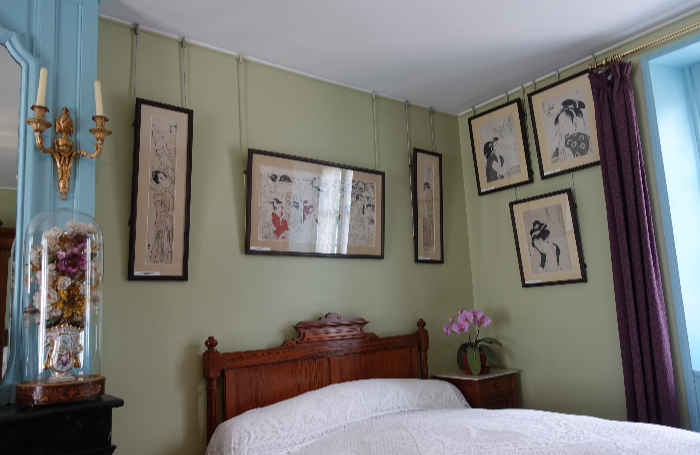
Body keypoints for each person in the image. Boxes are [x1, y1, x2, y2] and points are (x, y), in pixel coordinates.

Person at [150, 170, 174, 264]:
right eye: (160, 178)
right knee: (162, 245)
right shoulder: (159, 194)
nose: (163, 179)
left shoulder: (169, 192)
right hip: (163, 224)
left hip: (169, 223)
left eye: (163, 176)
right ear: (158, 182)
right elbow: (160, 210)